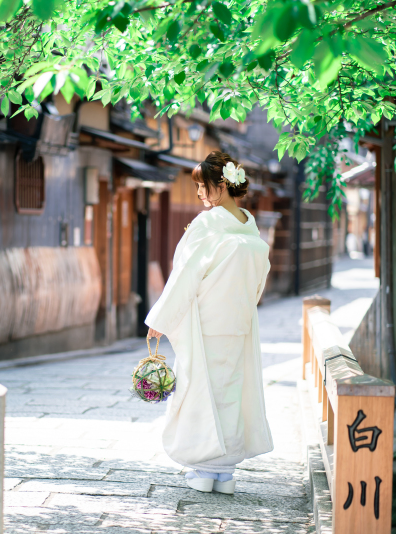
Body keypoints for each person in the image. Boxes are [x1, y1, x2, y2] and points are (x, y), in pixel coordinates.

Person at [145, 151, 273, 494]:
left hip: (205, 323)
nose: (200, 194)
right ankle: (225, 473)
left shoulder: (208, 223)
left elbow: (186, 275)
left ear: (222, 185)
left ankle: (203, 471)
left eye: (203, 186)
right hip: (238, 322)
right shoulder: (249, 224)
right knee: (230, 393)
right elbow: (260, 277)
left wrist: (162, 318)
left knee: (198, 388)